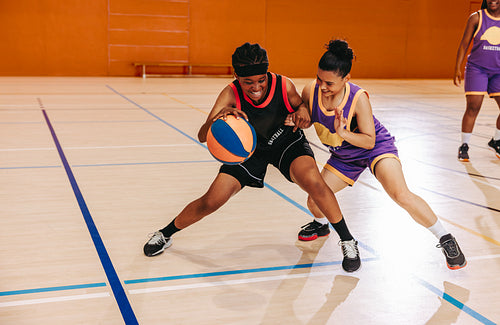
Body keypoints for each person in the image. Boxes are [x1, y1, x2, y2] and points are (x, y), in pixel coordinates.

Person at [143, 42, 361, 272]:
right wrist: (219, 116)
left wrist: (303, 111)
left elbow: (301, 106)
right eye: (248, 82)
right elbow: (202, 135)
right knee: (211, 200)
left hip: (285, 141)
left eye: (261, 79)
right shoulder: (230, 93)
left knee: (315, 184)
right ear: (237, 77)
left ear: (267, 74)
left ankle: (347, 241)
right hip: (248, 151)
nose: (256, 86)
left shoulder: (283, 84)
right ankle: (164, 234)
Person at [291, 39, 466, 270]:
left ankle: (446, 239)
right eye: (319, 79)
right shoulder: (310, 91)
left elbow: (369, 139)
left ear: (346, 79)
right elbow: (310, 119)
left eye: (330, 83)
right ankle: (321, 224)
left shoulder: (358, 97)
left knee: (400, 194)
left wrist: (342, 132)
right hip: (344, 156)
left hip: (374, 148)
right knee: (314, 200)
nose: (323, 87)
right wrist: (299, 117)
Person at [454, 0, 500, 161]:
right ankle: (464, 145)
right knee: (474, 106)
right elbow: (464, 44)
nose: (493, 1)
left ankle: (496, 140)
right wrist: (457, 67)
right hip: (477, 69)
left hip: (498, 71)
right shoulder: (476, 18)